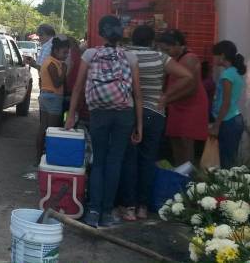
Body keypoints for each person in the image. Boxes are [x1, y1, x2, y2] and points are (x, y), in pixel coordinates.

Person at [65, 15, 143, 228]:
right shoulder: (130, 57)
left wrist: (71, 115)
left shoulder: (90, 54)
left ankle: (93, 210)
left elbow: (78, 88)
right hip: (124, 113)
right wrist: (139, 125)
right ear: (121, 33)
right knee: (115, 161)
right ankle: (107, 213)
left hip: (98, 112)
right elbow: (137, 94)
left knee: (98, 161)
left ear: (101, 33)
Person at [117, 25, 193, 221]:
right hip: (154, 113)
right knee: (148, 159)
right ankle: (143, 207)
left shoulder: (124, 54)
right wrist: (166, 96)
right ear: (152, 41)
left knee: (129, 160)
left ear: (133, 39)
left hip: (129, 111)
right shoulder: (161, 57)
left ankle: (129, 206)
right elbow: (187, 75)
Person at [155, 30, 209, 166]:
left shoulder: (190, 58)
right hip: (176, 105)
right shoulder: (174, 58)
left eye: (167, 49)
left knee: (186, 143)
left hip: (191, 106)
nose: (165, 52)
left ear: (177, 44)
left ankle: (188, 179)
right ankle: (179, 174)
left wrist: (166, 100)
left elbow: (191, 89)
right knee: (175, 140)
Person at [210, 40, 247, 169]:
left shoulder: (227, 75)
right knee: (230, 160)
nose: (213, 58)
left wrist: (216, 125)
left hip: (228, 121)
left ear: (222, 55)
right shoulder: (235, 72)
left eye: (214, 55)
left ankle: (228, 188)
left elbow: (225, 103)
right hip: (234, 119)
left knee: (226, 163)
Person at [36, 37, 69, 163]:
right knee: (52, 130)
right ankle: (50, 159)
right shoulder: (52, 63)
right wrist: (64, 70)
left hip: (45, 96)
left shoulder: (48, 61)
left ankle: (39, 158)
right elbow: (57, 83)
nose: (66, 55)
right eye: (64, 52)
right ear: (56, 51)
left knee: (43, 127)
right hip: (53, 97)